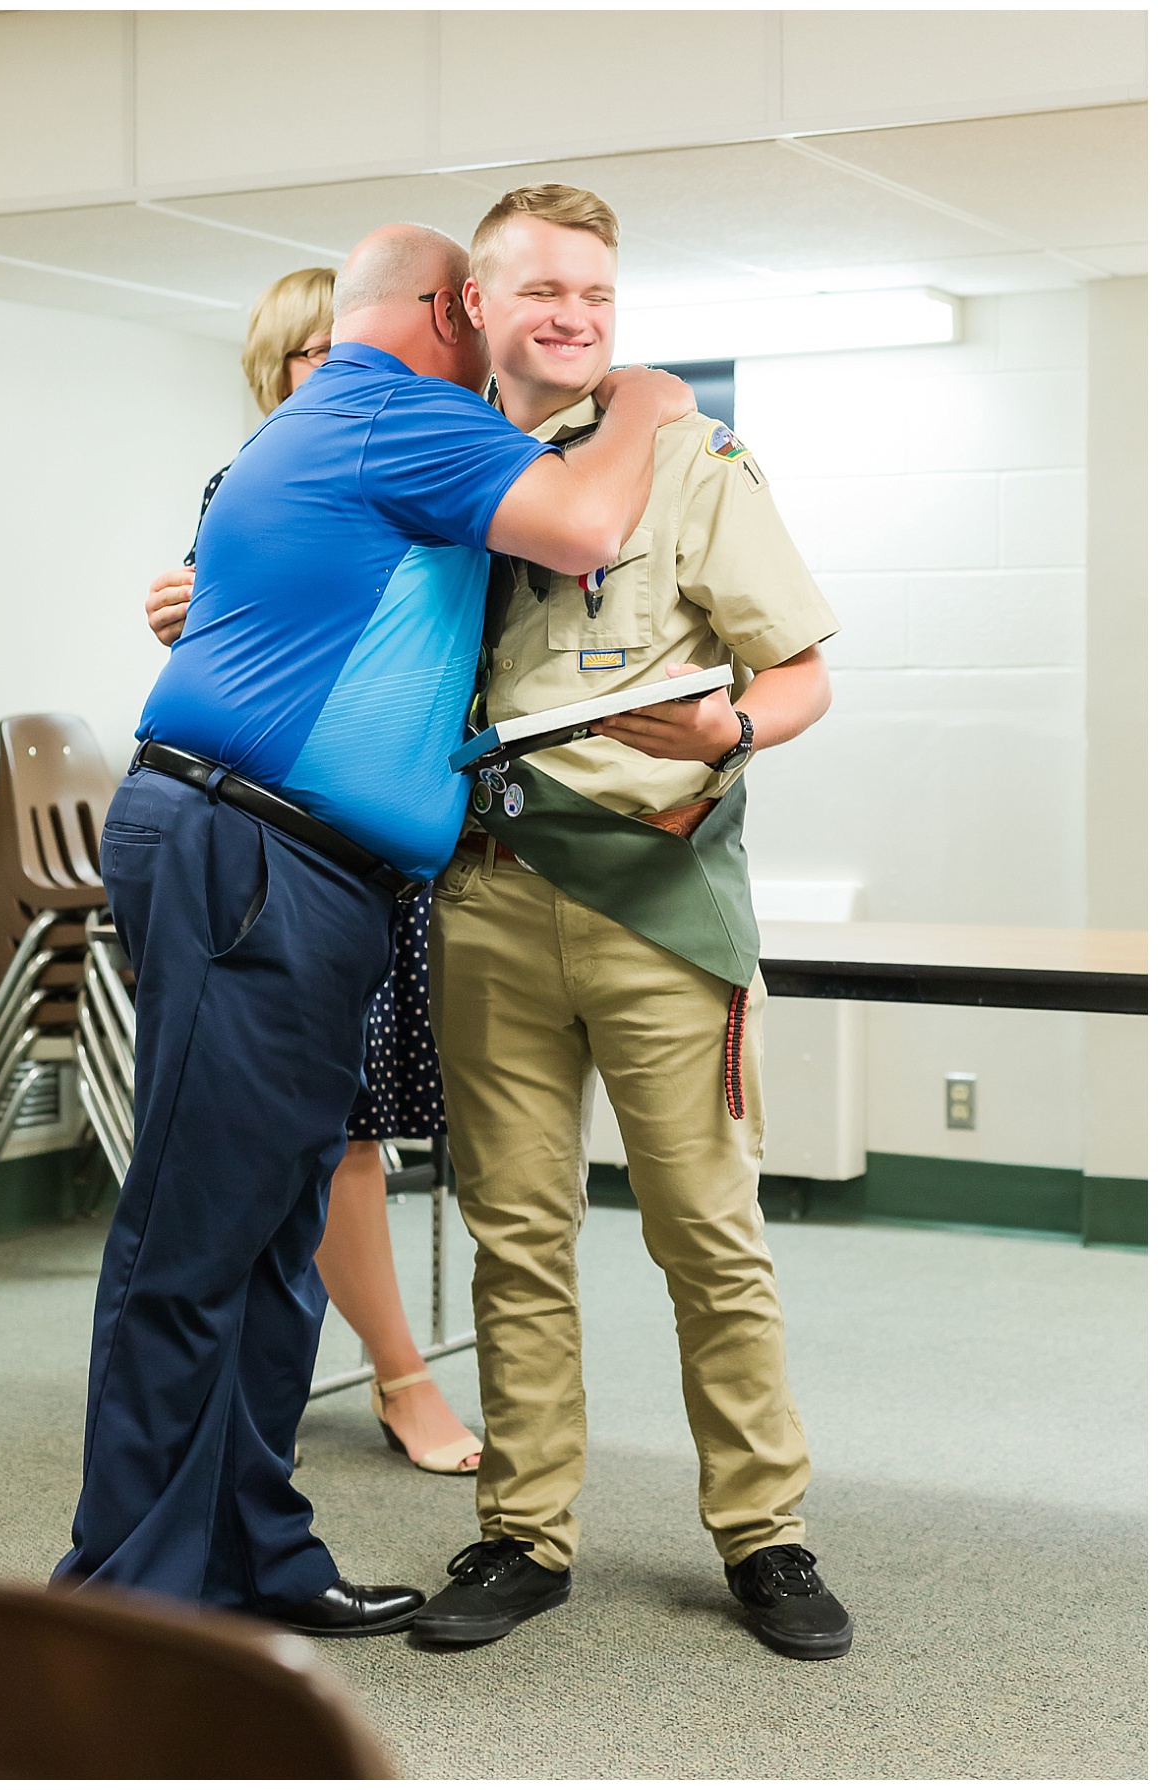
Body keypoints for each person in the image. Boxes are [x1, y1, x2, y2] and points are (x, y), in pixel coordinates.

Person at [52, 219, 694, 1636]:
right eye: (498, 303)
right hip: (253, 854)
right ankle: (124, 1613)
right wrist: (651, 398)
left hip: (297, 864)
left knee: (274, 1237)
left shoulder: (360, 424)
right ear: (443, 311)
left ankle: (251, 1558)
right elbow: (587, 523)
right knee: (194, 1237)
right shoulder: (391, 405)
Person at [411, 187, 854, 1660]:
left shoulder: (687, 457)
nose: (574, 318)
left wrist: (728, 727)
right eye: (541, 289)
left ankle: (766, 1536)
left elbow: (797, 673)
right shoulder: (433, 450)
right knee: (515, 1234)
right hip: (487, 891)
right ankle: (523, 1532)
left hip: (655, 898)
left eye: (595, 295)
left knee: (707, 1237)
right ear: (478, 302)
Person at [147, 266, 479, 1475]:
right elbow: (232, 640)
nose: (323, 377)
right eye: (299, 360)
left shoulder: (423, 454)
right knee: (326, 1136)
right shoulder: (248, 480)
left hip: (384, 844)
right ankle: (401, 1375)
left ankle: (272, 1451)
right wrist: (181, 615)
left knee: (354, 1130)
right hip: (269, 840)